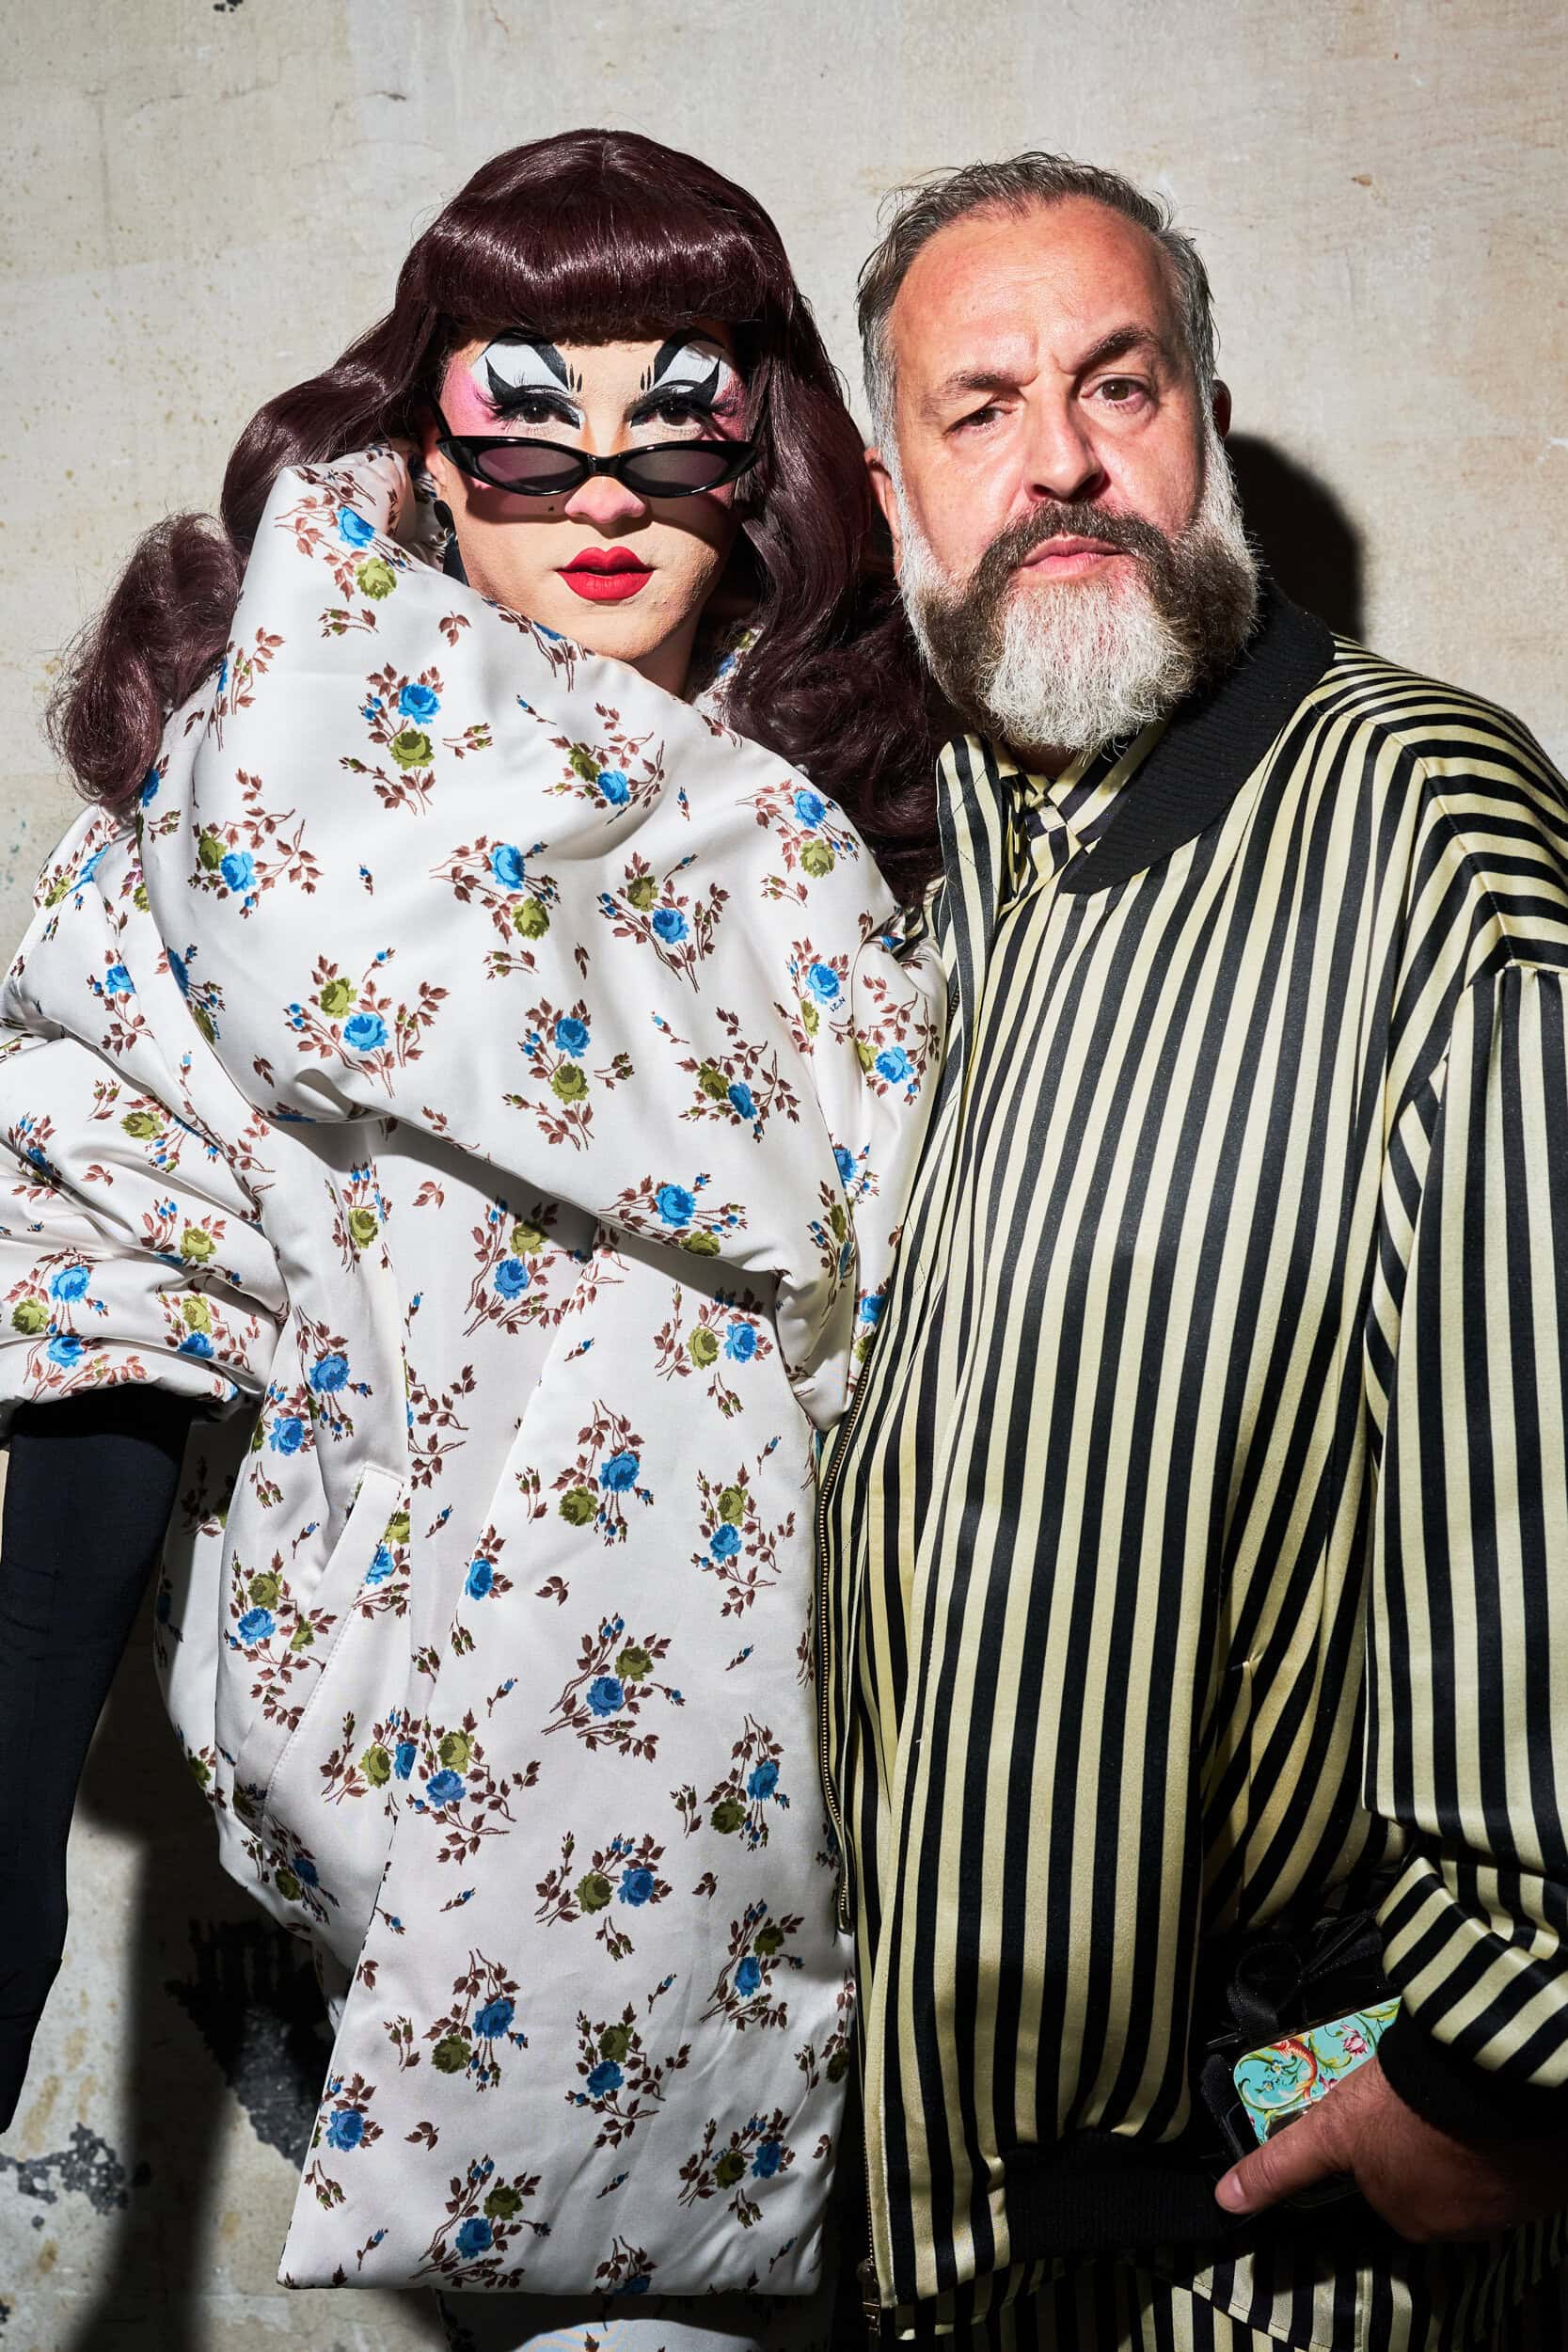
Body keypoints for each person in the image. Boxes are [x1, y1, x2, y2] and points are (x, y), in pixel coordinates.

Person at [0, 130, 942, 2352]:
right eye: (526, 421)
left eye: (677, 420)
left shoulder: (857, 842)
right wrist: (15, 1840)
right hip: (428, 1800)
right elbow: (113, 1299)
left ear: (763, 458)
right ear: (422, 452)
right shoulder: (233, 816)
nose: (602, 489)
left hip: (874, 1835)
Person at [819, 152, 1568, 2348]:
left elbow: (1547, 1481)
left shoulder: (1431, 827)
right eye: (981, 409)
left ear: (1206, 428)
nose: (1058, 459)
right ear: (895, 495)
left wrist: (1509, 2071)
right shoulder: (915, 872)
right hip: (929, 2243)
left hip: (1277, 2240)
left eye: (1117, 384)